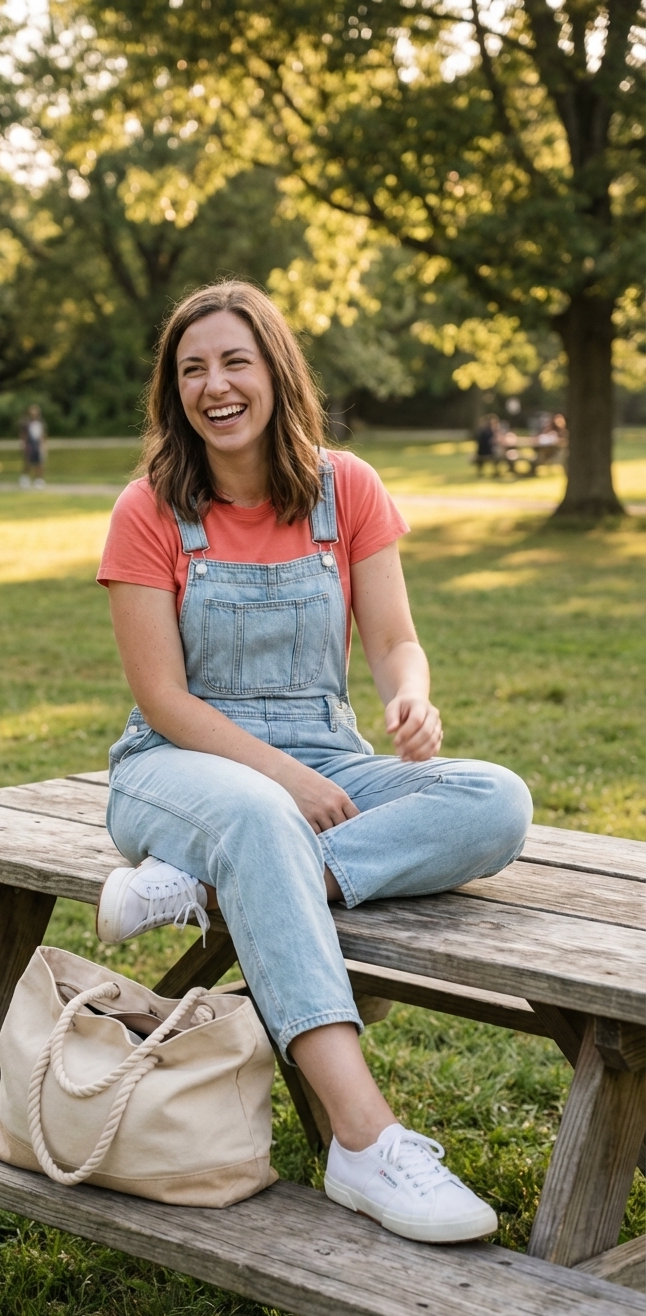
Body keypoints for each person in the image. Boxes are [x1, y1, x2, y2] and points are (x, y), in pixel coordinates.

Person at [96, 282, 532, 1245]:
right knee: (257, 817)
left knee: (496, 798)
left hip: (328, 757)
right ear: (174, 392)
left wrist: (410, 695)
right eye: (192, 369)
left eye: (234, 361)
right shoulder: (148, 507)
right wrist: (282, 783)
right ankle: (365, 1140)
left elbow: (395, 641)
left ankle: (213, 881)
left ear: (276, 371)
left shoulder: (349, 489)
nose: (215, 385)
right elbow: (164, 700)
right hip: (177, 764)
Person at [19, 405, 47, 488]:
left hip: (38, 444)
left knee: (39, 463)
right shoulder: (26, 423)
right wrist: (23, 444)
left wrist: (44, 445)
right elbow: (23, 434)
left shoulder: (41, 423)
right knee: (28, 462)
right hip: (29, 444)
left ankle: (38, 480)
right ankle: (25, 478)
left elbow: (43, 435)